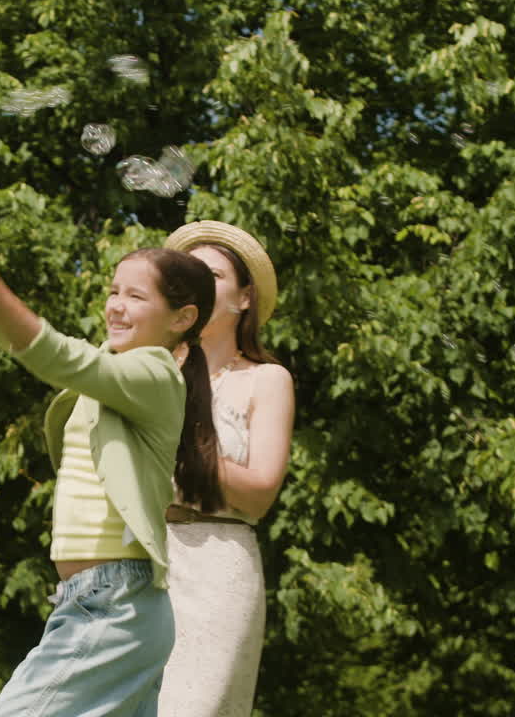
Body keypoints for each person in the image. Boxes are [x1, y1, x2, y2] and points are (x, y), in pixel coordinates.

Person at [0, 199, 219, 716]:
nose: (115, 305)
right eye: (112, 291)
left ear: (183, 317)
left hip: (113, 606)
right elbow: (26, 345)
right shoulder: (120, 371)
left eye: (135, 295)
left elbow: (57, 356)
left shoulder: (153, 373)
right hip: (93, 602)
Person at [157, 221, 295, 717]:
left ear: (244, 299)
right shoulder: (149, 368)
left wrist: (175, 434)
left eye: (212, 274)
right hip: (139, 562)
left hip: (218, 565)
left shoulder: (267, 379)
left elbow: (258, 493)